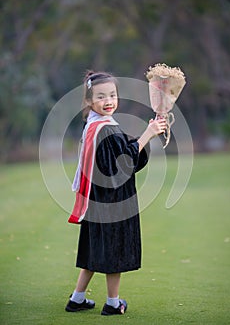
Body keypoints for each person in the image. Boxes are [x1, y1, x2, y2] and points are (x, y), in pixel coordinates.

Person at [65, 70, 167, 316]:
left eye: (112, 95)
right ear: (90, 101)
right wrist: (148, 134)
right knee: (114, 251)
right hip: (114, 201)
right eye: (101, 96)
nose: (108, 100)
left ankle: (77, 298)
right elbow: (123, 164)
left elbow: (122, 152)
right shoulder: (105, 129)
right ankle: (113, 303)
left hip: (96, 200)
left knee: (94, 249)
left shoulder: (94, 125)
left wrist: (146, 134)